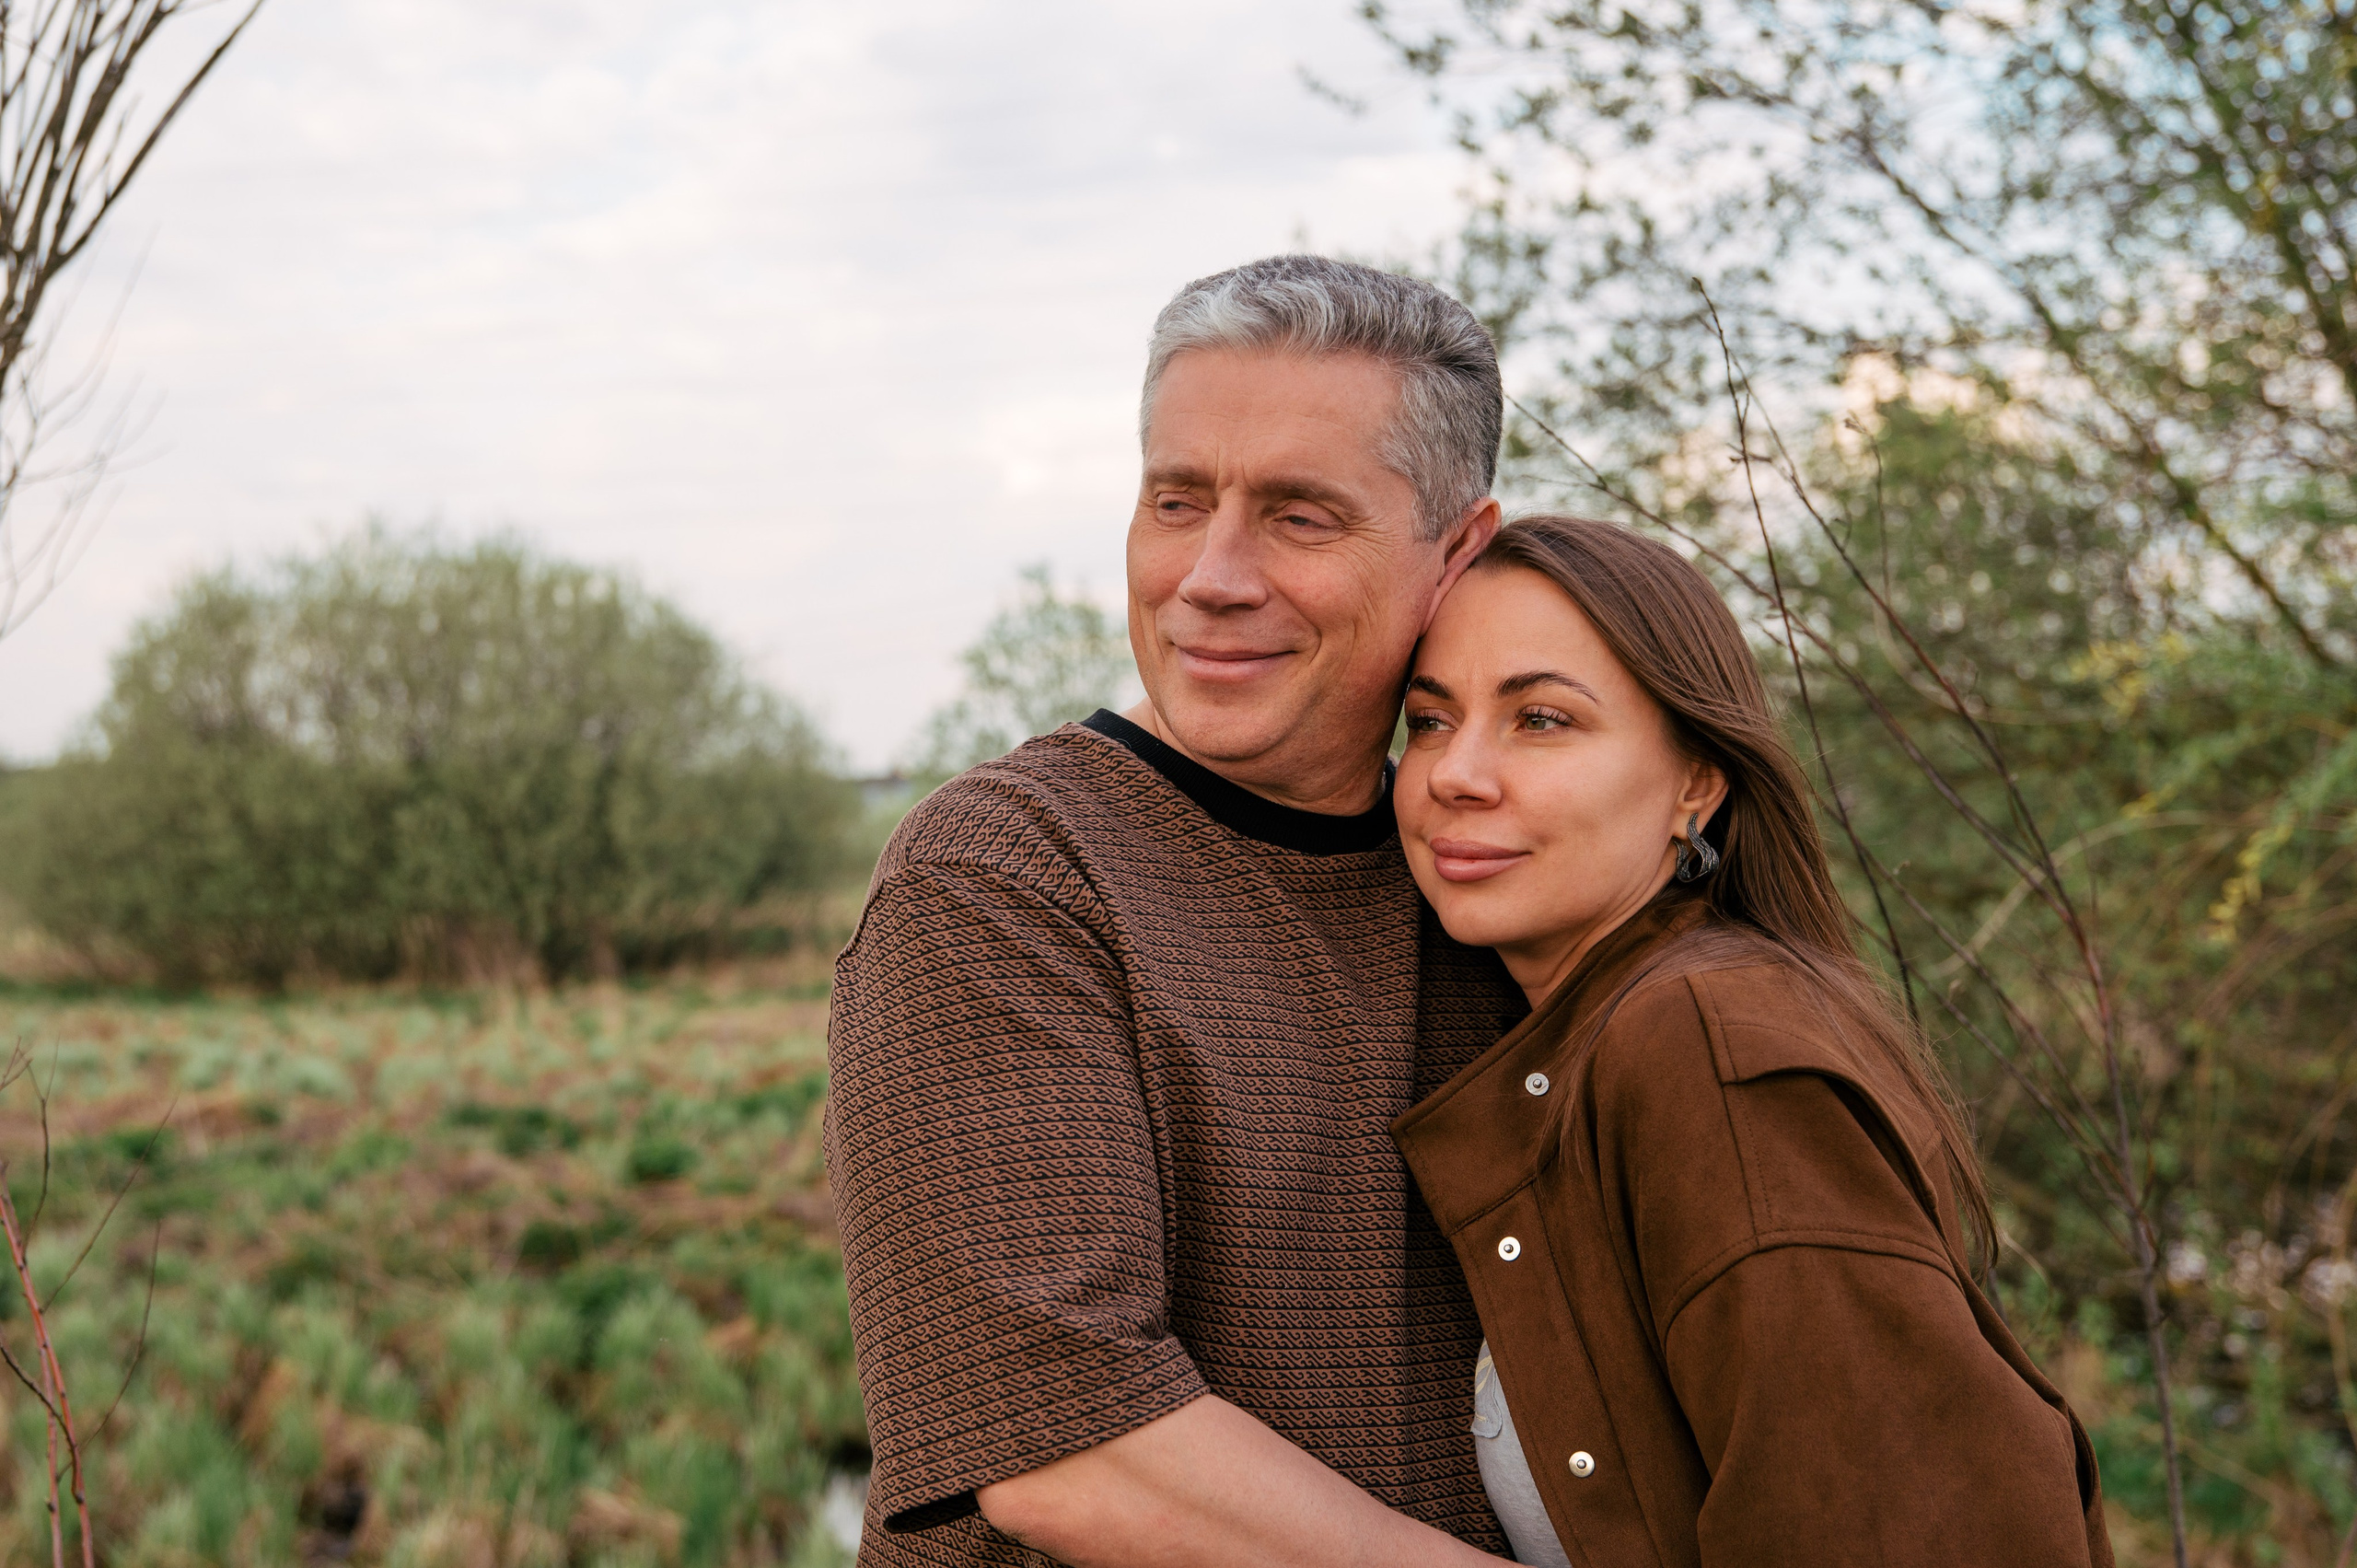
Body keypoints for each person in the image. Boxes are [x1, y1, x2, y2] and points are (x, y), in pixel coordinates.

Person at [824, 256, 1528, 1567]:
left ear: (1459, 553)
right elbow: (1073, 1452)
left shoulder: (1494, 877)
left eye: (1299, 516)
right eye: (1176, 500)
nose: (1210, 574)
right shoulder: (1003, 874)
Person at [1389, 514, 2115, 1567]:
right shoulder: (1602, 1037)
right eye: (1427, 719)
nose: (1458, 772)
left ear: (1697, 779)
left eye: (1540, 718)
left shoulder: (1702, 1043)